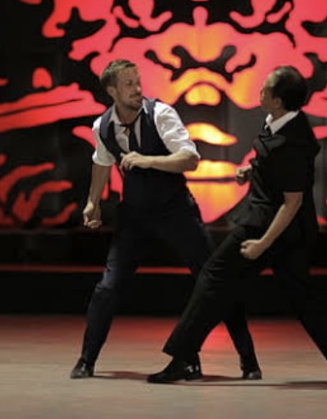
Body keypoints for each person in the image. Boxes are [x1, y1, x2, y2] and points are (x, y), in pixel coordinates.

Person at [147, 65, 327, 384]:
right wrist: (252, 170)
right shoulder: (279, 122)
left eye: (265, 89)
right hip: (276, 225)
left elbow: (292, 202)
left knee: (213, 276)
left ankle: (183, 359)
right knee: (301, 296)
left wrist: (263, 243)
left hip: (272, 227)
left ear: (278, 101)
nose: (260, 92)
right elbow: (273, 165)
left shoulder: (292, 143)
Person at [70, 59, 261, 381]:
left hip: (175, 211)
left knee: (212, 281)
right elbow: (101, 162)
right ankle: (86, 360)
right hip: (134, 216)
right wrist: (93, 202)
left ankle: (249, 360)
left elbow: (190, 159)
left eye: (137, 81)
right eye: (128, 84)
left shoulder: (160, 114)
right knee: (108, 288)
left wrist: (147, 160)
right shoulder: (102, 126)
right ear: (112, 91)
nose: (137, 89)